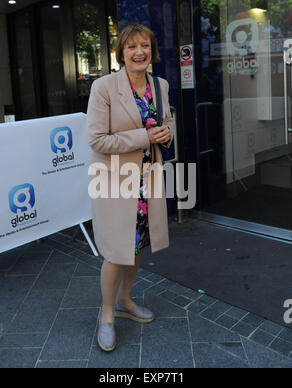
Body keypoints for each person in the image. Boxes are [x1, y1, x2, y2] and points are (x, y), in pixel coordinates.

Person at [86, 23, 174, 352]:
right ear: (121, 52)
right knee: (115, 253)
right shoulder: (104, 87)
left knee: (137, 246)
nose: (139, 52)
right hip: (114, 181)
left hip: (147, 180)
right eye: (132, 47)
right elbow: (96, 139)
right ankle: (106, 315)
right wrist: (145, 137)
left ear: (152, 51)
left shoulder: (160, 84)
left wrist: (167, 133)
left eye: (145, 46)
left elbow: (166, 123)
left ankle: (125, 299)